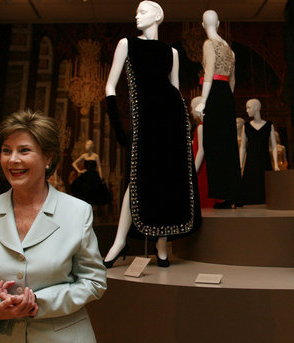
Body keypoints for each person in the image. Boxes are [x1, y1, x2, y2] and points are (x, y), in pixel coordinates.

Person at [0, 110, 107, 342]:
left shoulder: (77, 212)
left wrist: (35, 302)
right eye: (6, 150)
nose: (13, 159)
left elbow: (94, 282)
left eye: (24, 150)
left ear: (48, 158)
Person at [103, 1, 199, 268]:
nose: (137, 15)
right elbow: (110, 86)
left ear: (158, 16)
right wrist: (117, 125)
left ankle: (161, 244)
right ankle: (119, 241)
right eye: (136, 11)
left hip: (172, 122)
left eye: (142, 11)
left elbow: (176, 91)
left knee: (168, 180)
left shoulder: (172, 53)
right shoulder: (127, 44)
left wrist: (184, 126)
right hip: (144, 121)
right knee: (137, 178)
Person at [194, 10, 243, 209]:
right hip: (227, 97)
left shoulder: (209, 44)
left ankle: (223, 195)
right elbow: (232, 80)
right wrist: (227, 99)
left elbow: (209, 71)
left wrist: (204, 100)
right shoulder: (229, 49)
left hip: (213, 93)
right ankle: (235, 195)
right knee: (229, 144)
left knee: (214, 144)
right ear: (219, 22)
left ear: (202, 24)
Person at [240, 99, 278, 204]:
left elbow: (274, 146)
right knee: (250, 189)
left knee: (265, 189)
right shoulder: (246, 127)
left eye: (249, 107)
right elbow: (242, 147)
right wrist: (240, 164)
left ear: (256, 108)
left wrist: (276, 164)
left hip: (265, 161)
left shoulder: (268, 126)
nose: (247, 110)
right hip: (251, 162)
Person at [192, 96, 218, 208]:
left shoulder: (201, 127)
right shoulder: (211, 126)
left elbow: (201, 150)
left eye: (192, 107)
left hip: (201, 167)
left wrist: (194, 170)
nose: (191, 111)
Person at [71, 140, 110, 206]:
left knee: (94, 192)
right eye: (86, 144)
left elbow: (99, 167)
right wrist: (79, 171)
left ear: (91, 146)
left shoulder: (95, 156)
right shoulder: (84, 155)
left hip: (94, 176)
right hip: (86, 175)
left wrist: (100, 177)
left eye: (88, 145)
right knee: (83, 190)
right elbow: (74, 163)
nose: (87, 146)